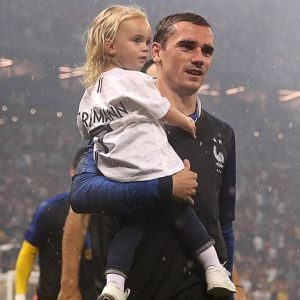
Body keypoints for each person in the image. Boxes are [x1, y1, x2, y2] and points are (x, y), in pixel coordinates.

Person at [61, 11, 237, 300]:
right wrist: (164, 188)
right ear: (156, 51)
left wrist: (233, 285)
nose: (199, 57)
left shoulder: (222, 134)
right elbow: (82, 197)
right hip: (136, 289)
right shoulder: (118, 124)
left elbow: (223, 223)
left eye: (207, 51)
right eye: (187, 46)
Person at [14, 147, 97, 300]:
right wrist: (19, 295)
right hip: (50, 295)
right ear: (72, 172)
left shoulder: (107, 212)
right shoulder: (49, 210)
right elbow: (28, 252)